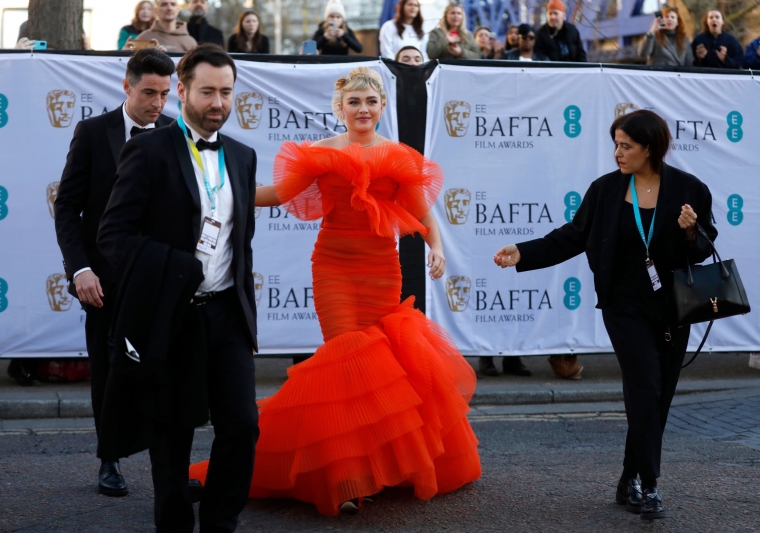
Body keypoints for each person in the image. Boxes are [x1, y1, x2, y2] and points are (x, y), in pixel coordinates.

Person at [189, 66, 481, 516]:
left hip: (382, 271)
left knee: (378, 373)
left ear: (382, 107)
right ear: (340, 108)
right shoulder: (320, 153)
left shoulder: (400, 156)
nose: (363, 109)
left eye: (371, 102)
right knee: (346, 364)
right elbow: (278, 194)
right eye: (354, 102)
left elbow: (423, 213)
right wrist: (217, 189)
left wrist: (437, 248)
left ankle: (377, 467)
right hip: (334, 270)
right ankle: (346, 480)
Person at [494, 110, 716, 520]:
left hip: (673, 307)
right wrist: (523, 252)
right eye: (615, 144)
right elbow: (573, 236)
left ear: (650, 148)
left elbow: (703, 249)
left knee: (659, 395)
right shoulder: (606, 190)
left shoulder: (689, 189)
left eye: (626, 146)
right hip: (623, 306)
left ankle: (629, 478)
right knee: (644, 385)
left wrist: (690, 230)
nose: (618, 153)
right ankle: (650, 484)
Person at [98, 43, 259, 533]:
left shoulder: (244, 157)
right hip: (172, 316)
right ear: (182, 92)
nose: (218, 103)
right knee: (172, 438)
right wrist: (175, 270)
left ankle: (220, 523)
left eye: (226, 92)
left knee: (242, 427)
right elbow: (113, 235)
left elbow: (240, 243)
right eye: (207, 92)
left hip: (227, 315)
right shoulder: (148, 150)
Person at [53, 48, 175, 498]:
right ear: (127, 86)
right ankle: (110, 459)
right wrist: (80, 269)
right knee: (107, 371)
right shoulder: (92, 132)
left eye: (165, 94)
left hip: (159, 276)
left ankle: (168, 467)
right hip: (102, 280)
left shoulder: (174, 132)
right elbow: (67, 207)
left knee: (165, 371)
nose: (157, 103)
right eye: (149, 93)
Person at [128, 0, 197, 52]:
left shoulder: (190, 42)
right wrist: (125, 52)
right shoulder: (143, 38)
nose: (169, 8)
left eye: (173, 4)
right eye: (164, 4)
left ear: (178, 10)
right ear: (156, 10)